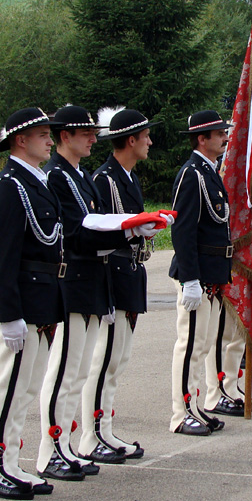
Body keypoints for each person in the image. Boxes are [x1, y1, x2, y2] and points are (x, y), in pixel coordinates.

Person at [38, 105, 161, 480]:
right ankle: (52, 448)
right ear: (65, 137)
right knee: (66, 371)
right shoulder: (58, 176)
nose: (95, 138)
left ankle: (74, 442)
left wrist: (135, 229)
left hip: (96, 278)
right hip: (76, 279)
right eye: (86, 133)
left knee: (80, 370)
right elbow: (78, 232)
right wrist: (129, 231)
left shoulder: (79, 176)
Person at [0, 107, 66, 500]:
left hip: (42, 299)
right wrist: (7, 314)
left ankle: (12, 464)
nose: (51, 140)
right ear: (21, 140)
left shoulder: (36, 182)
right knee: (9, 386)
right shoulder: (10, 185)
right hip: (22, 302)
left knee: (27, 389)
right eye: (44, 134)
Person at [79, 107, 161, 462]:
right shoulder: (104, 180)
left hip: (130, 273)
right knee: (105, 359)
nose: (149, 142)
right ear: (130, 140)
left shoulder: (128, 177)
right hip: (113, 274)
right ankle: (91, 435)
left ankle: (106, 430)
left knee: (118, 359)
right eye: (145, 137)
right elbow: (99, 233)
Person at [169, 110, 234, 435]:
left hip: (212, 276)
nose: (224, 137)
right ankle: (181, 413)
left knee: (205, 345)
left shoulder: (210, 172)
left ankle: (194, 405)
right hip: (198, 277)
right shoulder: (192, 174)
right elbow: (183, 230)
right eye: (219, 133)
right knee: (191, 344)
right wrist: (190, 279)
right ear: (201, 139)